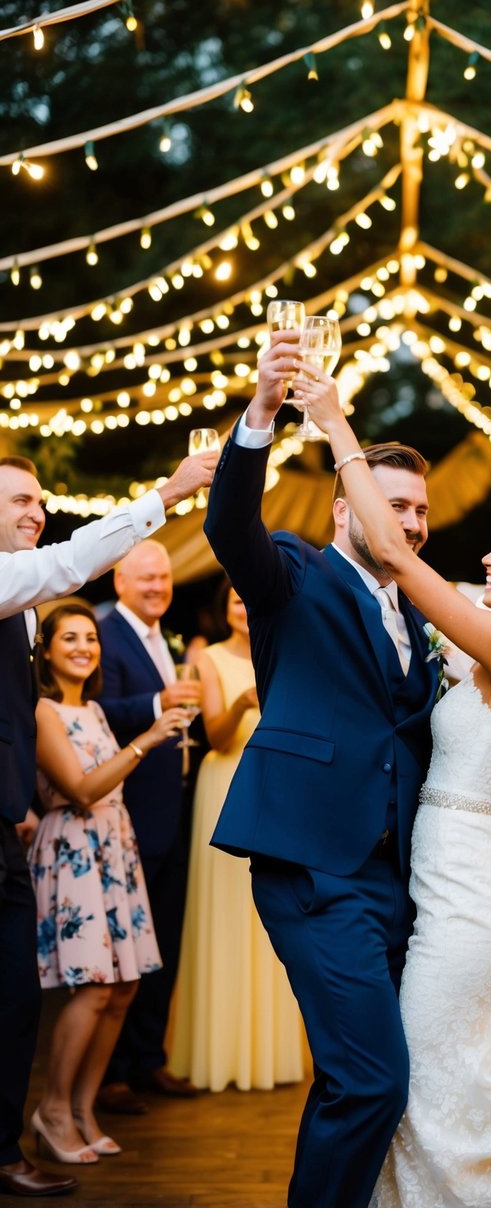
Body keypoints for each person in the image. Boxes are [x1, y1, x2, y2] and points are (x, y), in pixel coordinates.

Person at [203, 333, 491, 1208]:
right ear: (347, 508)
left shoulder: (430, 615)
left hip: (408, 877)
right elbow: (226, 524)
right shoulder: (292, 575)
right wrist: (262, 413)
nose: (414, 524)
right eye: (395, 505)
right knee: (370, 1083)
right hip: (316, 866)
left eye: (422, 511)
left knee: (381, 1077)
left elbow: (470, 728)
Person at [298, 360, 491, 1206]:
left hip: (474, 897)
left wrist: (337, 428)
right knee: (439, 1084)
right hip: (460, 872)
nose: (486, 554)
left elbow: (398, 557)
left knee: (435, 1087)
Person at [0, 449, 216, 1199]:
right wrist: (170, 492)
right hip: (57, 838)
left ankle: (43, 1126)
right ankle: (43, 1122)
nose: (38, 511)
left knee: (41, 994)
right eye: (22, 500)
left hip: (29, 830)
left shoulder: (22, 609)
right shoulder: (14, 584)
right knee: (41, 992)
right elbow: (65, 568)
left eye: (40, 500)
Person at [27, 604, 188, 1164]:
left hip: (114, 850)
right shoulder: (43, 710)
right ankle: (50, 1109)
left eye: (90, 638)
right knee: (94, 986)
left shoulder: (94, 709)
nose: (83, 647)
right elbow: (80, 788)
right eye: (69, 638)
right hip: (75, 852)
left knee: (124, 988)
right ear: (46, 650)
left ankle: (82, 1108)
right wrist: (148, 738)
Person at [169, 579, 305, 1091]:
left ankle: (269, 1055)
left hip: (277, 789)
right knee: (225, 914)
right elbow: (217, 736)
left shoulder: (290, 651)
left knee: (272, 915)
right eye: (235, 599)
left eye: (252, 597)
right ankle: (220, 1052)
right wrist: (247, 699)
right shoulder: (207, 660)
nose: (244, 607)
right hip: (224, 785)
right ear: (223, 609)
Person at [96, 541, 201, 1113]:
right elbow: (99, 711)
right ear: (120, 581)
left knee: (163, 940)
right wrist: (159, 700)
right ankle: (111, 1073)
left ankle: (148, 1060)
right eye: (146, 579)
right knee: (126, 946)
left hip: (174, 804)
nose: (158, 587)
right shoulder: (107, 634)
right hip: (132, 809)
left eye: (163, 578)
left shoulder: (165, 636)